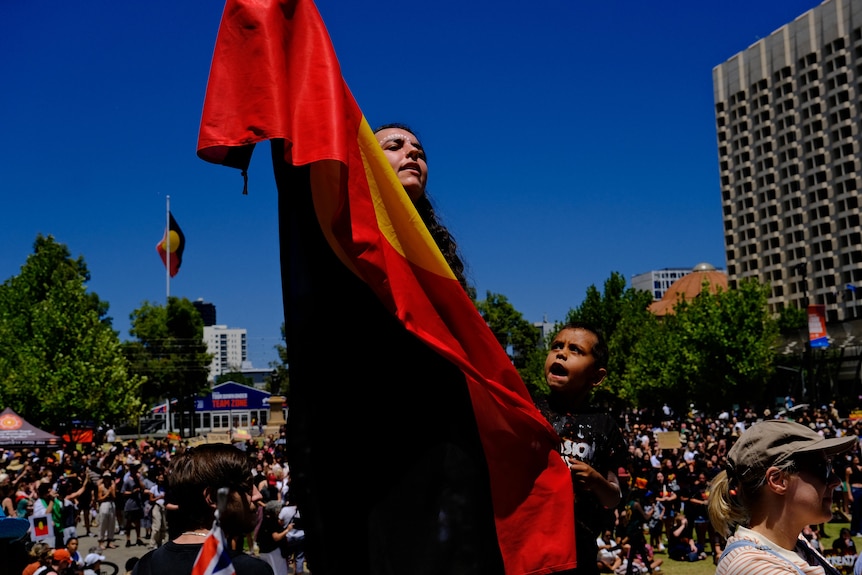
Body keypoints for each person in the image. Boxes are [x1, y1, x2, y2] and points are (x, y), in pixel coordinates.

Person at [535, 321, 628, 575]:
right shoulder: (526, 408)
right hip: (528, 548)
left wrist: (597, 481)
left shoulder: (604, 425)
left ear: (596, 376)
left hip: (578, 555)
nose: (561, 353)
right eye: (556, 346)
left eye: (575, 350)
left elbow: (614, 498)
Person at [710, 419, 856, 574]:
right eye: (823, 469)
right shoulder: (753, 566)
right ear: (778, 480)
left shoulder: (795, 544)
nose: (836, 481)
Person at [131, 443, 272, 575]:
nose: (257, 496)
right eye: (247, 488)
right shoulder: (251, 570)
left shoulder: (145, 565)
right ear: (213, 497)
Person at [96, 471, 117, 549]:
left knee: (111, 523)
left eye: (108, 478)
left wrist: (112, 489)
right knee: (103, 523)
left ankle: (110, 540)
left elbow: (114, 496)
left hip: (111, 504)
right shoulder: (101, 486)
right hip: (104, 504)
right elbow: (99, 498)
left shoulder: (112, 486)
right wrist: (107, 493)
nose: (107, 480)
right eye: (106, 478)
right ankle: (101, 541)